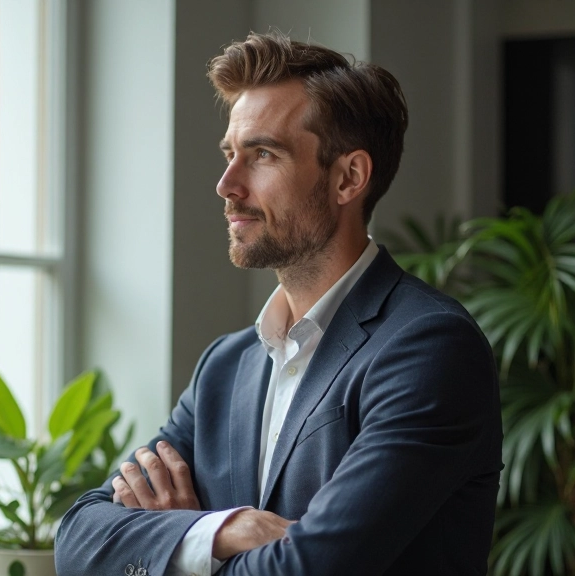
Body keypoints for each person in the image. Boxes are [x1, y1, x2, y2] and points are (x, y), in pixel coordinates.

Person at [55, 31, 502, 576]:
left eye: (263, 154)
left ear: (348, 178)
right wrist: (224, 530)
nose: (226, 184)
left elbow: (313, 568)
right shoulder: (224, 367)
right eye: (230, 154)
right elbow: (77, 540)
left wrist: (182, 547)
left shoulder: (429, 348)